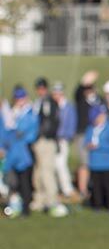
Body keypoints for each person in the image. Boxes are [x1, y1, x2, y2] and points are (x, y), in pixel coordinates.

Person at [2, 85, 40, 217]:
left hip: (25, 150)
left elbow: (30, 133)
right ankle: (16, 205)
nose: (19, 100)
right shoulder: (13, 112)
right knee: (14, 181)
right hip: (14, 151)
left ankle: (26, 208)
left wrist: (20, 133)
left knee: (25, 180)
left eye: (21, 97)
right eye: (17, 98)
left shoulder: (30, 113)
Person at [30, 77, 65, 217]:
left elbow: (50, 122)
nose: (40, 91)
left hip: (46, 140)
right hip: (38, 141)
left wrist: (43, 134)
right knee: (38, 172)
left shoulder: (49, 102)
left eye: (42, 88)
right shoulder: (39, 102)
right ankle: (39, 199)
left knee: (47, 171)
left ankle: (51, 200)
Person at [83, 105, 109, 210]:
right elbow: (86, 142)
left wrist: (100, 146)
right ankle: (97, 204)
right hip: (95, 162)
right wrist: (88, 145)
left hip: (108, 163)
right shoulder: (90, 129)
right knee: (96, 186)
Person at [74, 70, 102, 198]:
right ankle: (83, 190)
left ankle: (95, 187)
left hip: (96, 134)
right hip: (83, 134)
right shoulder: (81, 100)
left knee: (95, 162)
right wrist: (84, 81)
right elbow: (79, 90)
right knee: (84, 163)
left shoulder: (98, 101)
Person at [51, 82, 78, 201]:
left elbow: (71, 124)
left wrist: (66, 137)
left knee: (60, 164)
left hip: (62, 140)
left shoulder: (68, 107)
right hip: (52, 141)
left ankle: (67, 189)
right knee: (53, 166)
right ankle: (58, 188)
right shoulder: (52, 106)